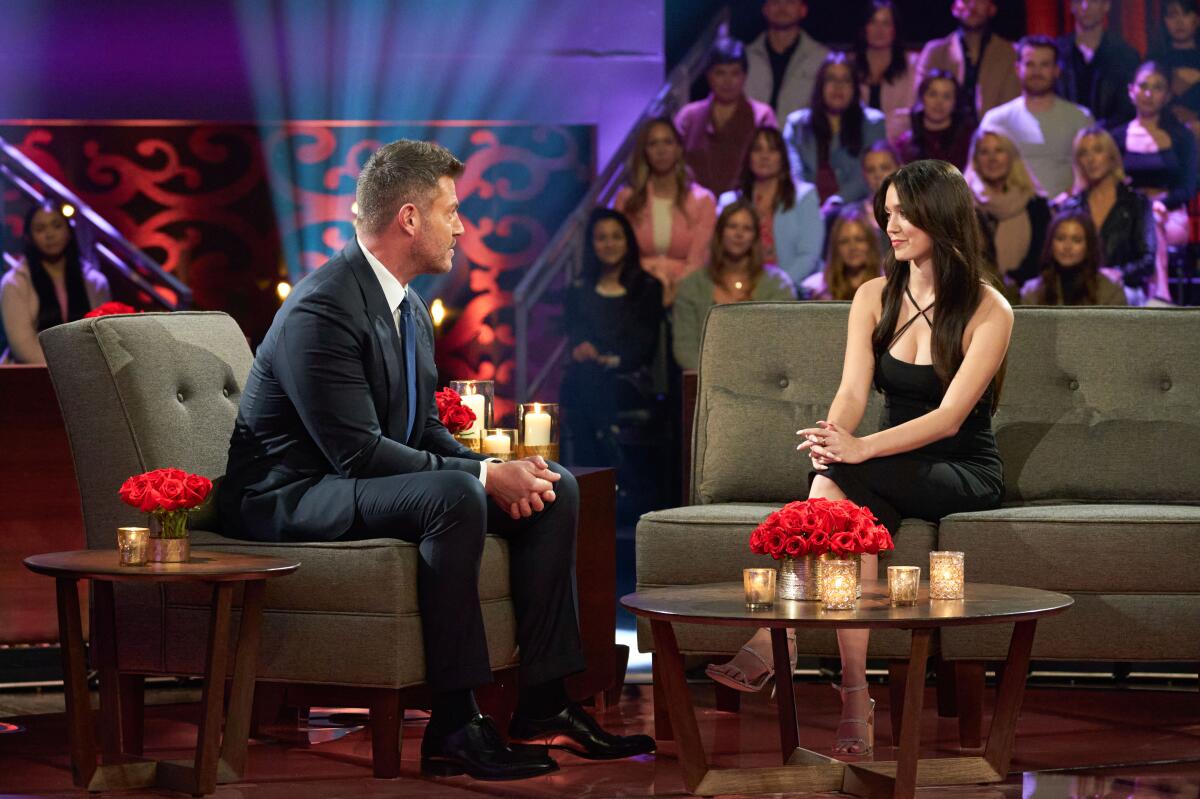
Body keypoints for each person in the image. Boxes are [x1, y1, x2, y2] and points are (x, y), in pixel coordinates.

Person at [218, 140, 653, 782]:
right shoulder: (323, 306)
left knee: (551, 484)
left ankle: (543, 702)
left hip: (349, 480)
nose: (463, 224)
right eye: (452, 209)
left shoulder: (409, 307)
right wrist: (480, 476)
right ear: (410, 218)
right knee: (454, 496)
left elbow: (422, 427)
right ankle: (454, 723)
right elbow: (356, 451)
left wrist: (501, 471)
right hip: (294, 492)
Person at [709, 160, 1011, 758]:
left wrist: (857, 449)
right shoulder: (875, 295)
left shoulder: (988, 310)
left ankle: (784, 636)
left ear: (941, 215)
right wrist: (832, 436)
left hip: (961, 469)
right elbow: (852, 393)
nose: (890, 225)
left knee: (840, 476)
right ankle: (854, 696)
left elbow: (950, 419)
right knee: (843, 511)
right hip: (889, 466)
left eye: (903, 213)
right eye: (888, 212)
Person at [560, 209, 663, 467]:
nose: (609, 244)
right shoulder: (579, 288)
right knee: (584, 377)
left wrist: (607, 358)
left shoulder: (648, 287)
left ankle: (597, 463)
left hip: (630, 379)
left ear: (628, 241)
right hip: (590, 375)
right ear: (591, 244)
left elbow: (643, 347)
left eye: (616, 237)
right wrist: (583, 350)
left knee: (587, 383)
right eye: (601, 238)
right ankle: (605, 448)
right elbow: (576, 336)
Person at [671, 201, 796, 371]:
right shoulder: (693, 285)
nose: (739, 234)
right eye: (732, 226)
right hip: (708, 381)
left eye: (747, 228)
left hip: (762, 382)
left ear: (755, 237)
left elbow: (784, 344)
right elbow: (685, 350)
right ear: (720, 232)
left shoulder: (777, 284)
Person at [1113, 60, 1198, 301]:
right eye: (1143, 86)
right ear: (1132, 91)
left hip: (1170, 215)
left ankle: (1159, 296)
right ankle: (1153, 298)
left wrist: (1159, 203)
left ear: (1167, 95)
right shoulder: (1116, 137)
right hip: (1128, 215)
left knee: (1153, 222)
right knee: (1146, 220)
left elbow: (1188, 187)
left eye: (1157, 87)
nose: (1149, 94)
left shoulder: (1182, 137)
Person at [614, 117, 717, 306]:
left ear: (679, 149)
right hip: (637, 291)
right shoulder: (627, 199)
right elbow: (622, 256)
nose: (661, 150)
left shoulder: (703, 200)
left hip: (686, 295)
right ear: (645, 152)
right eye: (653, 144)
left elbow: (698, 261)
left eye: (667, 142)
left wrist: (671, 292)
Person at [980, 35, 1095, 199]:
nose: (1037, 72)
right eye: (1030, 64)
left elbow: (1093, 170)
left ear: (1057, 70)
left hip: (1069, 214)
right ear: (1017, 68)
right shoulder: (996, 121)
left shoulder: (1080, 118)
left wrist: (1066, 201)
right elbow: (979, 173)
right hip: (1011, 215)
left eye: (1044, 65)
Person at [0, 201, 110, 364]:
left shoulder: (95, 282)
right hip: (34, 374)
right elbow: (23, 347)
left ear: (69, 231)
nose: (50, 234)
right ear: (29, 237)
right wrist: (67, 370)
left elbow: (103, 337)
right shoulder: (14, 283)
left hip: (89, 371)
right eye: (40, 229)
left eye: (57, 226)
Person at [1056, 126, 1156, 301]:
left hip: (1124, 288)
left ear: (1111, 156)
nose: (1091, 159)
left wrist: (1118, 273)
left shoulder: (1136, 203)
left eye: (1097, 150)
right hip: (1081, 289)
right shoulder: (1071, 207)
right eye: (1084, 153)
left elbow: (1147, 260)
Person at [718, 125, 824, 285]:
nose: (764, 156)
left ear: (783, 157)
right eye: (757, 149)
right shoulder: (730, 201)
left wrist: (777, 288)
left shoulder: (804, 196)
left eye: (772, 150)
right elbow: (717, 252)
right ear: (749, 156)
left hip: (790, 289)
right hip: (739, 288)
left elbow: (809, 256)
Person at [675, 38, 778, 196]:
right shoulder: (689, 117)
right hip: (695, 208)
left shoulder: (761, 115)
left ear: (744, 76)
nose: (727, 81)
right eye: (720, 73)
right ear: (709, 76)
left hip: (745, 208)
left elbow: (772, 165)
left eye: (735, 73)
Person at [784, 52, 887, 205]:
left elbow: (867, 176)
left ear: (855, 88)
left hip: (854, 210)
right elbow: (794, 173)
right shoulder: (796, 124)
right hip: (805, 206)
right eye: (831, 79)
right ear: (820, 85)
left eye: (846, 80)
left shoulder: (873, 123)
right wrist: (810, 205)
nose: (838, 86)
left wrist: (836, 202)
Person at [964, 128, 1051, 293]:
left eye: (999, 151)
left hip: (1024, 296)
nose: (992, 159)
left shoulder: (1036, 205)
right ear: (975, 159)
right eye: (984, 152)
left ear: (1012, 156)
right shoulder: (963, 205)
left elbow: (1040, 258)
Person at [914, 0, 1021, 119]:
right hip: (944, 133)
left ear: (992, 9)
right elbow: (921, 101)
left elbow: (1012, 105)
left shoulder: (1010, 53)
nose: (972, 5)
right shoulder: (935, 52)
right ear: (954, 8)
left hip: (995, 132)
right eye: (965, 1)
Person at [1055, 0, 1140, 129]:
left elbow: (1128, 108)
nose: (1085, 6)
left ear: (1106, 5)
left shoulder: (1125, 55)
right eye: (1079, 1)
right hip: (1063, 136)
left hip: (1110, 141)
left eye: (1093, 1)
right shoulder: (1057, 53)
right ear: (1071, 6)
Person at [745, 0, 831, 120]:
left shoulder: (821, 59)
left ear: (803, 10)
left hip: (800, 137)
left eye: (790, 2)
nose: (782, 8)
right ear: (765, 9)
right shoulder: (746, 57)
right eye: (775, 2)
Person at [1020, 208, 1126, 305]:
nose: (1067, 246)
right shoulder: (1032, 292)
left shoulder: (1110, 291)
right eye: (1060, 238)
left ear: (1089, 246)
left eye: (1076, 240)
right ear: (1051, 244)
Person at [854, 0, 919, 143]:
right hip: (854, 144)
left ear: (895, 29)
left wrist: (879, 136)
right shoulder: (850, 66)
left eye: (886, 23)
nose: (879, 30)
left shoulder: (913, 65)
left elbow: (909, 114)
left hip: (899, 145)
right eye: (873, 22)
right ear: (864, 28)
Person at [895, 69, 976, 170]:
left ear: (955, 101)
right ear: (922, 98)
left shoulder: (970, 140)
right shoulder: (905, 143)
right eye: (933, 94)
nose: (939, 102)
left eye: (946, 96)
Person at [802, 204, 884, 300]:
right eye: (844, 241)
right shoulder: (818, 292)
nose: (853, 247)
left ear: (871, 243)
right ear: (836, 248)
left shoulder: (888, 288)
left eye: (859, 239)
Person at [1147, 0, 1200, 131]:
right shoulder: (1154, 62)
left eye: (1185, 14)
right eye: (1172, 15)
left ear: (1196, 20)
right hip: (1163, 131)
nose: (1179, 21)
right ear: (1164, 21)